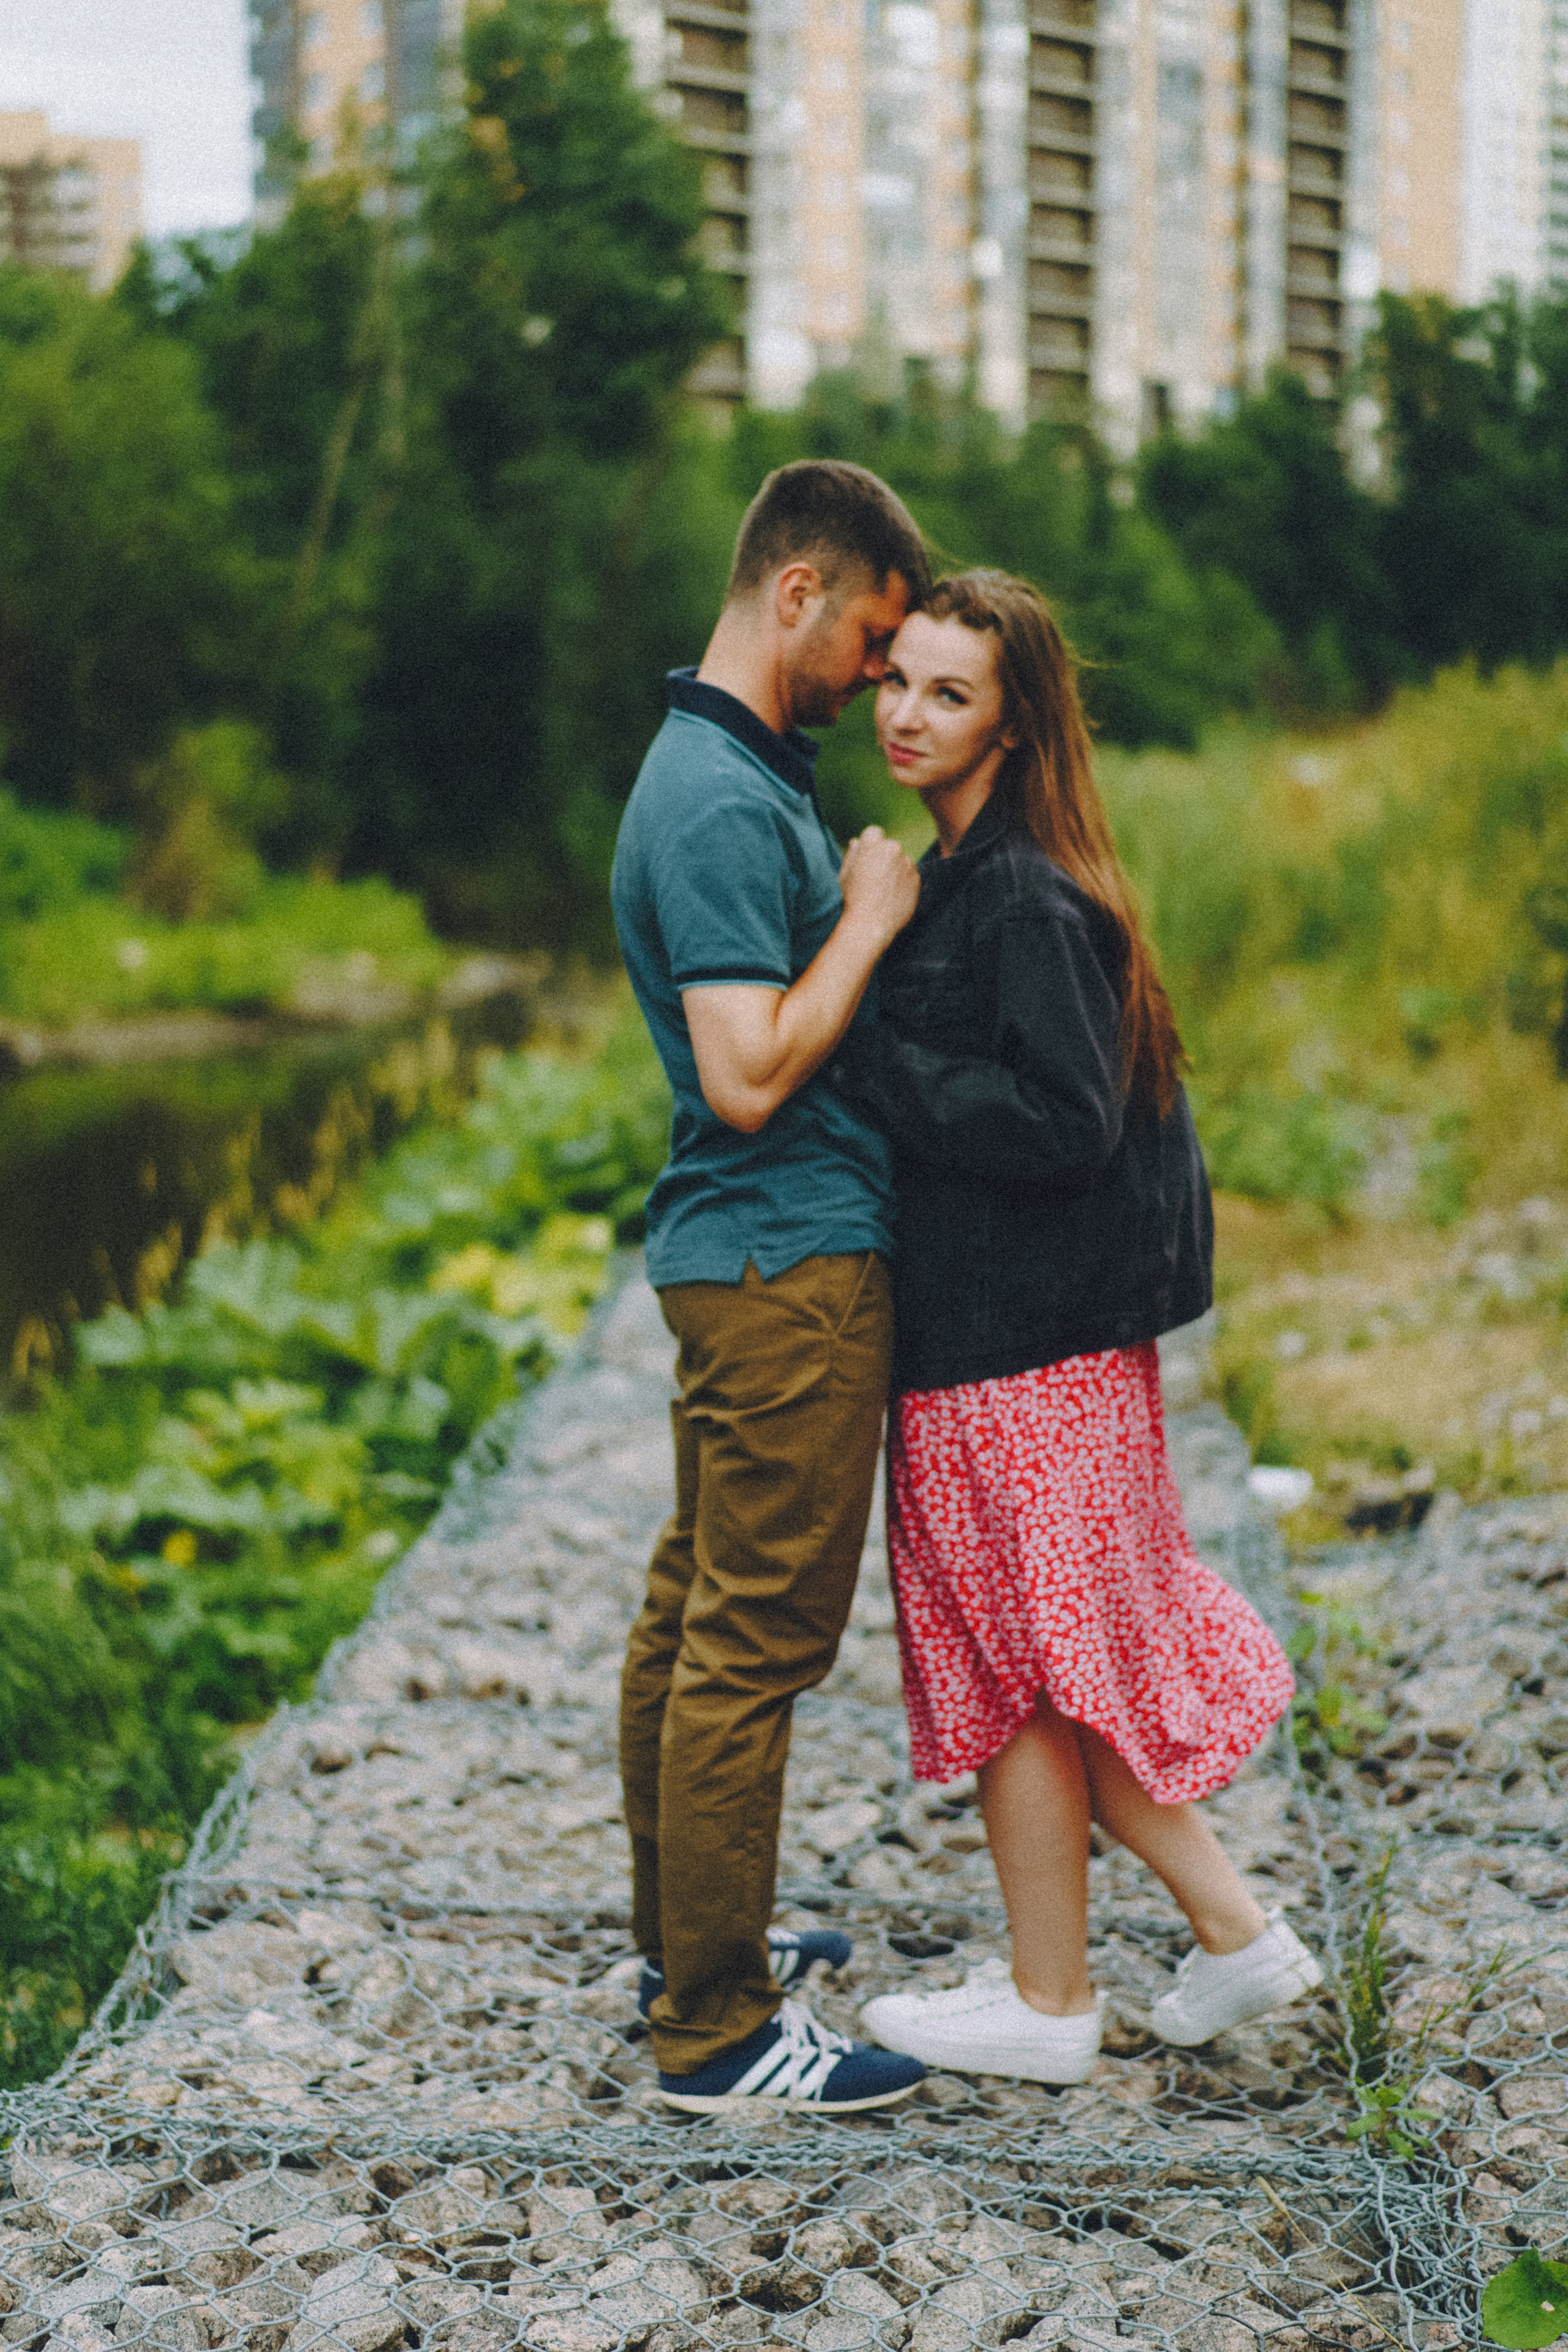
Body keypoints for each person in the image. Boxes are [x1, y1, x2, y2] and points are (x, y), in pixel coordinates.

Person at [837, 570, 1319, 2087]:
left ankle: (1091, 1986)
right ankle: (1166, 1957)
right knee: (1032, 1670)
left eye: (949, 694)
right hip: (1021, 1349)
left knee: (1027, 1667)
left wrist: (862, 1043)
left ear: (1013, 722)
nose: (906, 715)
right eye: (897, 681)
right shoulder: (982, 875)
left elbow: (1062, 1121)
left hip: (1018, 1358)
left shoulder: (1022, 895)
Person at [611, 461, 935, 2113]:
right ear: (794, 591)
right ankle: (720, 2031)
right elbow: (745, 1073)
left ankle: (688, 1946)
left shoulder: (720, 767)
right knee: (749, 1643)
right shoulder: (724, 803)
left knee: (693, 1616)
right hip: (783, 1260)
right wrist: (868, 917)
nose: (878, 677)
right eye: (872, 640)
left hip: (742, 1255)